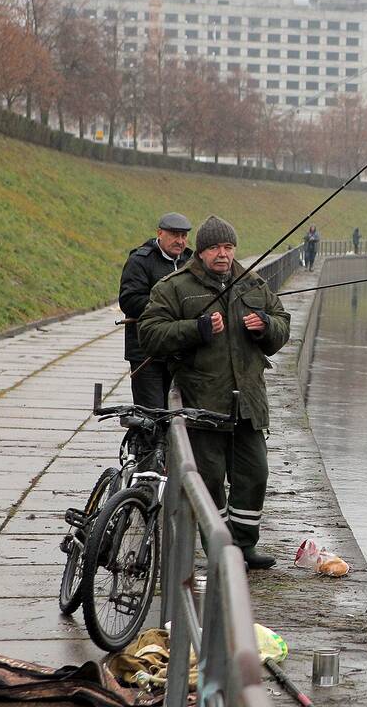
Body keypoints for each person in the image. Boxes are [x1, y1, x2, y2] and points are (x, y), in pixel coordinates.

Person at [138, 216, 291, 569]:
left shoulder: (251, 282)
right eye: (214, 249)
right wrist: (197, 328)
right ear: (202, 251)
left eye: (228, 248)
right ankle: (219, 549)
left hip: (248, 403)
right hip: (202, 404)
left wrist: (266, 326)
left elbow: (282, 322)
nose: (222, 255)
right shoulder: (175, 287)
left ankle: (244, 545)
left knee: (255, 474)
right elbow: (151, 334)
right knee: (208, 481)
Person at [118, 213, 194, 409]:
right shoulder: (140, 260)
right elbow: (129, 301)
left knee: (181, 415)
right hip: (146, 353)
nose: (180, 241)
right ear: (160, 233)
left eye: (184, 236)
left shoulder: (191, 262)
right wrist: (170, 308)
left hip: (182, 352)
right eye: (174, 235)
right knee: (152, 415)